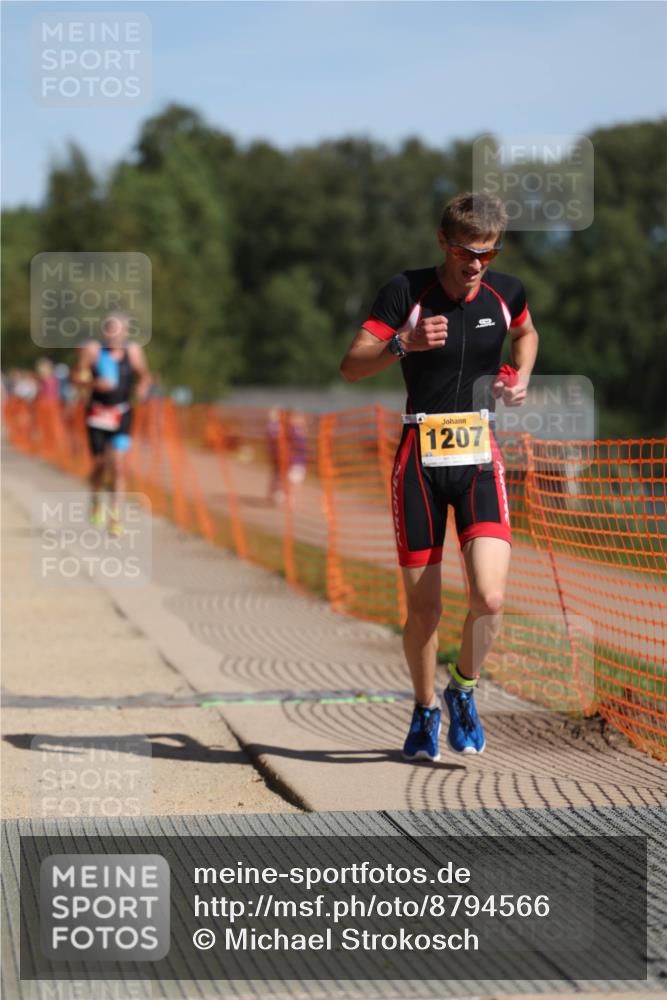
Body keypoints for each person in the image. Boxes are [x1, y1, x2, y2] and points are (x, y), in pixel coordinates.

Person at [340, 192, 539, 759]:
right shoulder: (406, 291)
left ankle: (463, 689)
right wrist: (402, 344)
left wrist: (520, 378)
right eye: (465, 252)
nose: (476, 264)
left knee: (490, 598)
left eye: (488, 253)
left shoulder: (507, 292)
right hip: (419, 460)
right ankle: (426, 707)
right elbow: (351, 365)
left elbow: (526, 333)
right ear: (443, 243)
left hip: (478, 454)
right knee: (425, 611)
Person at [71, 312, 151, 536]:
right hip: (97, 414)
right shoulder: (94, 351)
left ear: (126, 332)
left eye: (117, 330)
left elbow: (144, 375)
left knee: (118, 465)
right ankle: (96, 499)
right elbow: (76, 377)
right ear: (104, 331)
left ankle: (116, 518)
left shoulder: (133, 352)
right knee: (99, 465)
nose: (112, 334)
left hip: (121, 413)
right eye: (109, 329)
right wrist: (94, 383)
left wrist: (142, 388)